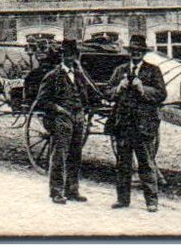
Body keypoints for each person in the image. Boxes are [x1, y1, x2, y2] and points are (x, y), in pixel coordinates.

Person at [105, 34, 167, 211]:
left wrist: (143, 88)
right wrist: (119, 87)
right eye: (133, 51)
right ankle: (123, 200)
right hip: (123, 124)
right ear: (130, 52)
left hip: (144, 125)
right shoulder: (120, 70)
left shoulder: (153, 71)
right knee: (123, 164)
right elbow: (107, 92)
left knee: (146, 163)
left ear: (144, 53)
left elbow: (162, 94)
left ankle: (152, 201)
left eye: (140, 51)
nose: (136, 54)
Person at [32, 39, 91, 204]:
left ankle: (72, 190)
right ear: (62, 56)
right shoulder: (53, 76)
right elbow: (42, 101)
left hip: (78, 118)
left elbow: (85, 96)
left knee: (76, 155)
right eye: (67, 54)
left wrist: (83, 109)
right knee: (59, 155)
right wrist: (58, 109)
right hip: (61, 119)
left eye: (73, 55)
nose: (70, 58)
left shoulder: (79, 75)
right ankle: (56, 192)